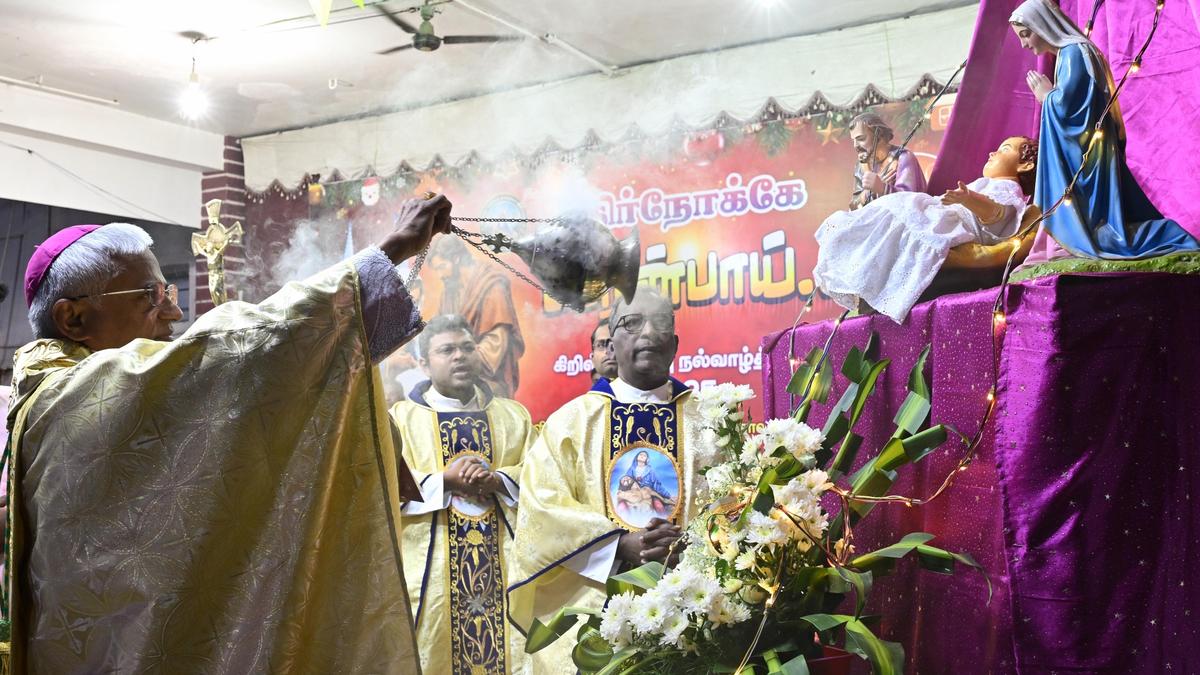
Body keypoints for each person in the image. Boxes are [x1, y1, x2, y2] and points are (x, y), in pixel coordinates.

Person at [5, 194, 452, 673]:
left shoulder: (50, 398)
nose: (173, 315)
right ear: (73, 318)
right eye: (149, 297)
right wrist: (390, 250)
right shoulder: (74, 396)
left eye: (170, 293)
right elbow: (243, 350)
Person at [508, 287, 704, 675]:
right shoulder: (573, 421)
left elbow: (735, 505)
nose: (648, 332)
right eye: (632, 323)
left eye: (660, 322)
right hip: (596, 608)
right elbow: (543, 510)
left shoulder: (710, 419)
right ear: (611, 342)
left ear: (676, 343)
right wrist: (620, 544)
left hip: (695, 610)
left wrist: (691, 543)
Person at [388, 314, 533, 675]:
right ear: (423, 363)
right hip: (432, 576)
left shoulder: (513, 416)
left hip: (505, 566)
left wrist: (500, 480)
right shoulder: (401, 419)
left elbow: (545, 478)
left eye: (467, 348)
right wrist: (444, 482)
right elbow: (382, 484)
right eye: (446, 350)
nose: (459, 356)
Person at [1010, 0, 1199, 260]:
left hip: (1091, 156)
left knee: (1102, 227)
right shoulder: (1069, 54)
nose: (1024, 44)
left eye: (1025, 34)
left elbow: (1076, 112)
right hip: (1092, 151)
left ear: (1042, 25)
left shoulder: (1075, 52)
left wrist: (1048, 98)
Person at [814, 136, 1039, 323]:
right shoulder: (990, 183)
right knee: (894, 214)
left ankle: (870, 271)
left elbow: (997, 215)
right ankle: (866, 270)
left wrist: (970, 199)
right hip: (943, 215)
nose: (993, 153)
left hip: (955, 225)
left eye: (1005, 149)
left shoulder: (1008, 188)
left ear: (1025, 165)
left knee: (900, 213)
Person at [428, 236, 525, 398]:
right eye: (437, 269)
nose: (440, 275)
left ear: (457, 259)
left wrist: (460, 365)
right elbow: (440, 333)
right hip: (457, 381)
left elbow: (496, 342)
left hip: (489, 383)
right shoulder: (449, 291)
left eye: (442, 267)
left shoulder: (492, 286)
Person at [847, 112, 928, 210]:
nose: (855, 146)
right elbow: (853, 207)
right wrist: (868, 193)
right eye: (853, 141)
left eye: (861, 139)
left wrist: (883, 188)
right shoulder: (861, 165)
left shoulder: (903, 158)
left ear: (879, 135)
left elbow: (910, 202)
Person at [590, 318, 617, 382]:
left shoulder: (644, 389)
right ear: (592, 358)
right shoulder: (594, 392)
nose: (607, 351)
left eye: (613, 344)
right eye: (600, 345)